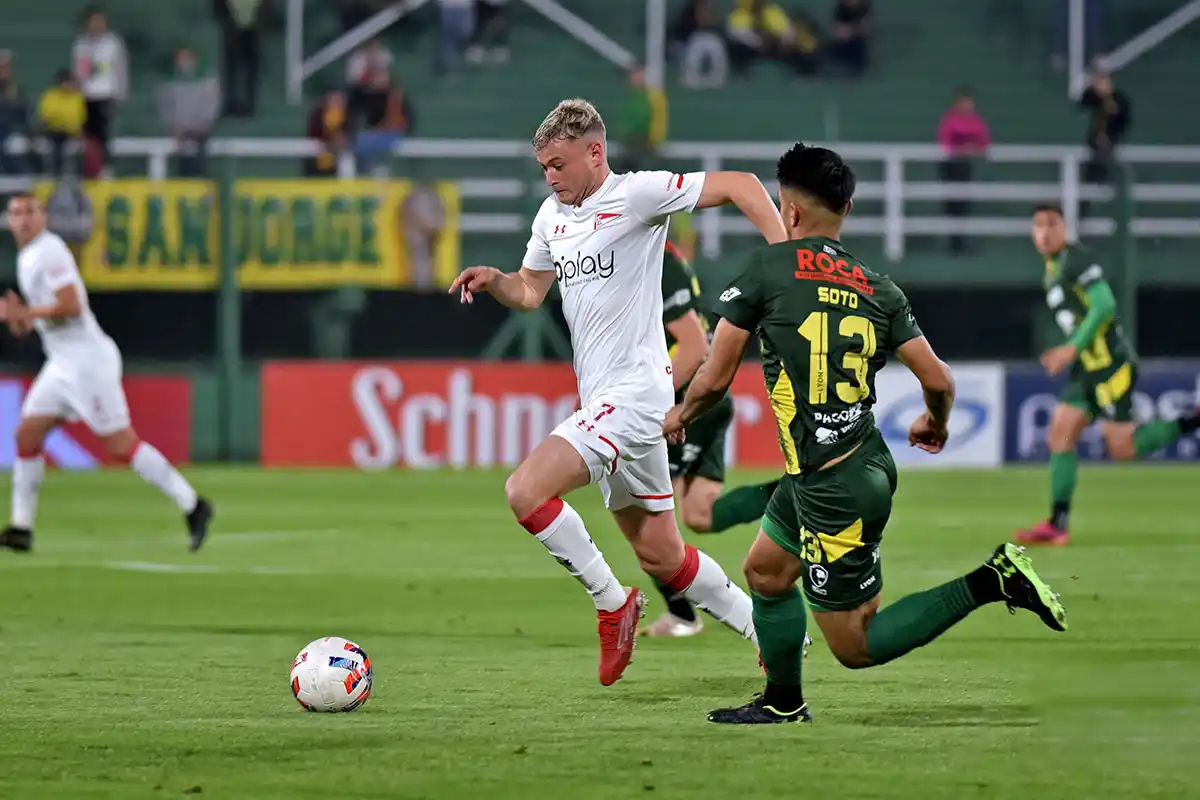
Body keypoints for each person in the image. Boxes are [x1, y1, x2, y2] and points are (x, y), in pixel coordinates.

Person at [663, 144, 1068, 724]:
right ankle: (782, 702)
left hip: (834, 489)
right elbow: (940, 379)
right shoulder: (876, 286)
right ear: (846, 208)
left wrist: (677, 418)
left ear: (790, 213)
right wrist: (936, 421)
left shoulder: (766, 269)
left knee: (855, 644)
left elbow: (713, 378)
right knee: (766, 573)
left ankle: (990, 580)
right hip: (848, 463)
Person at [448, 98, 787, 685]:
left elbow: (741, 185)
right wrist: (497, 280)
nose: (551, 177)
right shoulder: (551, 217)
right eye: (544, 168)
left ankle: (612, 604)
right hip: (604, 400)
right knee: (663, 555)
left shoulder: (637, 195)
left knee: (525, 490)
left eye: (559, 164)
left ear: (595, 153)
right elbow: (530, 289)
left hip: (635, 396)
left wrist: (787, 259)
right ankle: (772, 634)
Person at [0, 193, 214, 554]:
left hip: (87, 363)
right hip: (62, 362)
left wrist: (29, 313)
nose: (23, 220)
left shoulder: (49, 251)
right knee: (26, 436)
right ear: (8, 220)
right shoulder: (27, 257)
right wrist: (21, 318)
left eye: (30, 212)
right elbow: (45, 319)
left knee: (120, 445)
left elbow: (70, 306)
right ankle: (22, 527)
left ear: (43, 217)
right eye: (16, 213)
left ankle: (193, 505)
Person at [1014, 205, 1200, 546]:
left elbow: (1105, 306)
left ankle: (1192, 421)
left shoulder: (1077, 262)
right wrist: (1069, 350)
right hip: (1087, 368)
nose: (1045, 232)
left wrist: (1071, 348)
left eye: (1052, 224)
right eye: (1038, 225)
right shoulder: (1052, 269)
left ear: (1065, 227)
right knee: (1060, 432)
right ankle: (1058, 523)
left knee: (1123, 449)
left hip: (1111, 365)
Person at [644, 241, 794, 640]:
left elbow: (695, 347)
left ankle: (682, 615)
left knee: (646, 516)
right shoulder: (657, 257)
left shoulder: (660, 262)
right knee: (699, 514)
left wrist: (658, 403)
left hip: (690, 403)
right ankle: (793, 493)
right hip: (707, 402)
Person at [71, 6, 128, 171]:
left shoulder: (113, 43)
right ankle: (90, 168)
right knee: (88, 135)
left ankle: (107, 168)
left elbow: (120, 69)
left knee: (104, 133)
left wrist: (120, 94)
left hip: (107, 94)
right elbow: (78, 69)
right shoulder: (81, 43)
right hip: (86, 95)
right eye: (94, 21)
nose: (97, 24)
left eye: (100, 21)